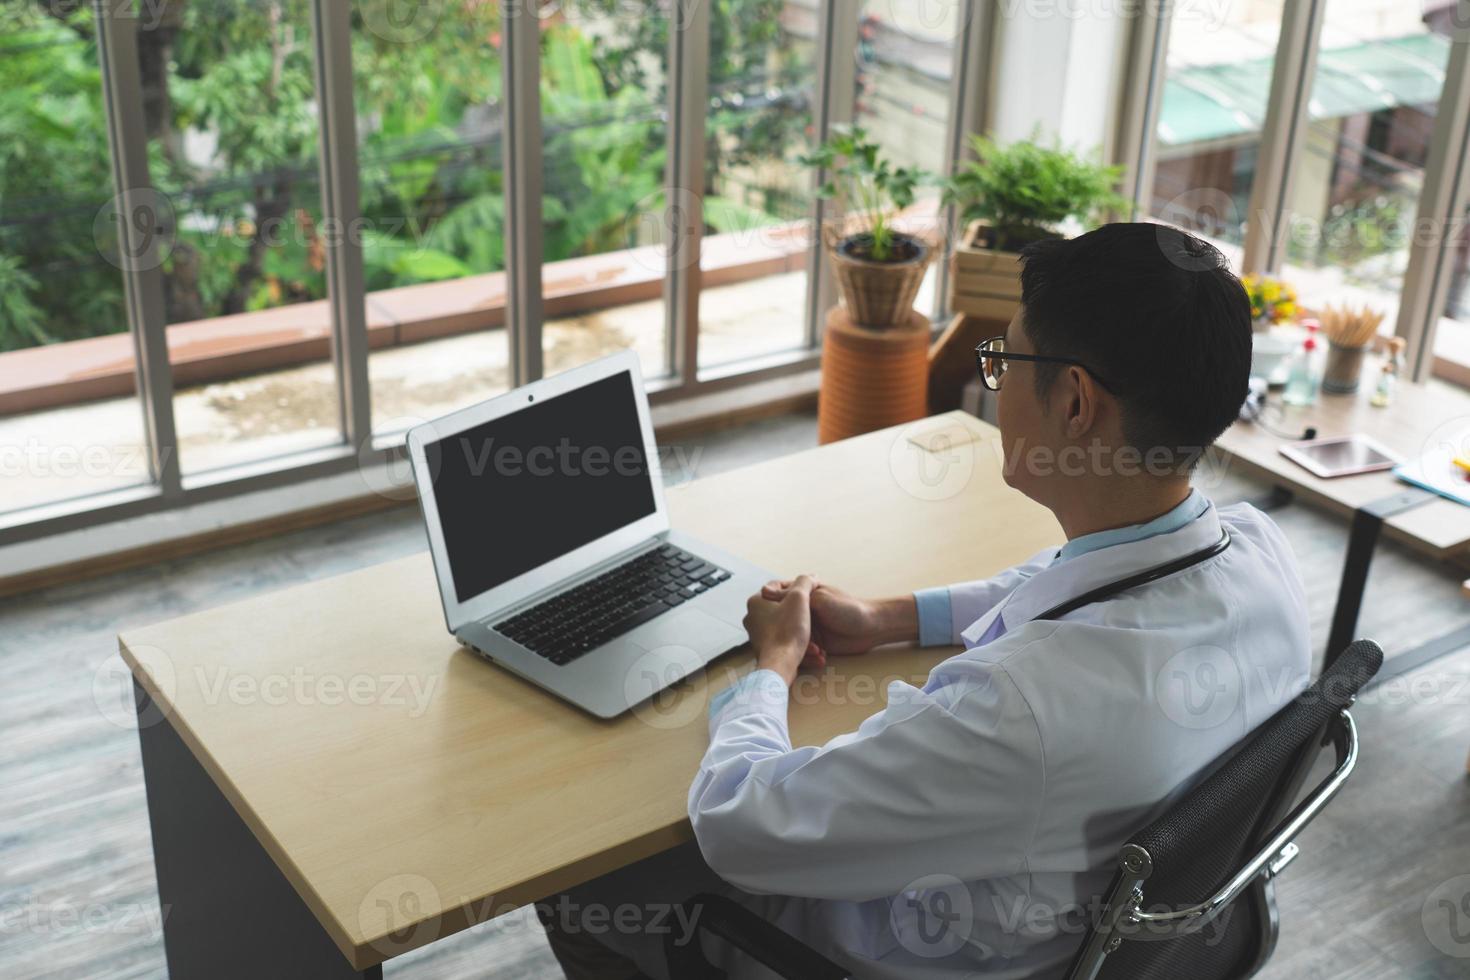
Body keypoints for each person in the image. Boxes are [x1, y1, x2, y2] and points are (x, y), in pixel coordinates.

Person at [536, 223, 1312, 979]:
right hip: (1087, 929)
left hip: (893, 948)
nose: (996, 386)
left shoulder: (1020, 706)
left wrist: (770, 668)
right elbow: (1064, 577)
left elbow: (743, 825)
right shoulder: (1261, 555)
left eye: (1006, 362)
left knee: (584, 885)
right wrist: (888, 618)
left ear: (1075, 403)